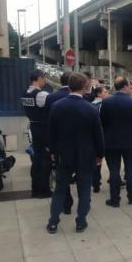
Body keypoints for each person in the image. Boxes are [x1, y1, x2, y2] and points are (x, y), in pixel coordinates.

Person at [47, 72, 104, 234]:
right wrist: (100, 154)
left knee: (60, 189)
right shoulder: (90, 109)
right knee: (84, 190)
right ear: (84, 87)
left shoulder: (57, 107)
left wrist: (52, 151)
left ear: (69, 85)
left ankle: (53, 222)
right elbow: (97, 135)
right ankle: (81, 222)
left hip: (64, 155)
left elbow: (51, 133)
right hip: (86, 156)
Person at [100, 76, 132, 207]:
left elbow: (102, 122)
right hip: (129, 140)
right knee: (130, 168)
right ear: (124, 86)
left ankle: (114, 198)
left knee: (114, 170)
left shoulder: (106, 102)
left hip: (111, 141)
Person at [45, 71, 75, 214]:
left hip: (60, 145)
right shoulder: (83, 98)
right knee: (81, 177)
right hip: (79, 145)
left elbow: (49, 125)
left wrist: (51, 149)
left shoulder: (51, 98)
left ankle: (66, 203)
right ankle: (84, 206)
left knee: (62, 177)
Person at [21, 69, 52, 198]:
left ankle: (35, 189)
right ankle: (44, 190)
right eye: (43, 78)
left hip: (33, 126)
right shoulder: (41, 94)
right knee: (46, 159)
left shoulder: (25, 93)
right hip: (43, 128)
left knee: (37, 159)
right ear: (38, 78)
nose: (44, 81)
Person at [91, 86, 109, 193]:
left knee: (96, 159)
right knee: (103, 158)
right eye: (105, 92)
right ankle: (97, 182)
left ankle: (95, 182)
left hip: (93, 136)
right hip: (104, 135)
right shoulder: (103, 105)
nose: (107, 94)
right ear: (99, 94)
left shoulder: (90, 105)